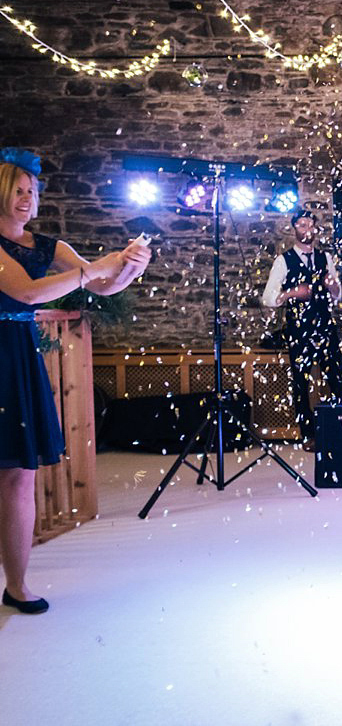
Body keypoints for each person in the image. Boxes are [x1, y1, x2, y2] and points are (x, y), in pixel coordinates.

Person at [0, 148, 151, 614]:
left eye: (32, 192)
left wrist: (128, 266)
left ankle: (17, 585)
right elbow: (27, 291)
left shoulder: (49, 246)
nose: (27, 200)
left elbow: (101, 286)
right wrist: (92, 268)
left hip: (17, 358)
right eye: (17, 191)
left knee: (18, 476)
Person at [261, 210, 342, 448]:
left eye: (311, 224)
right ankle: (308, 434)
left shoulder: (325, 258)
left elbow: (338, 297)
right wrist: (291, 293)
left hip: (325, 325)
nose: (307, 228)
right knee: (301, 382)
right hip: (299, 328)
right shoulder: (283, 260)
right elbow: (268, 298)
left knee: (337, 377)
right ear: (294, 228)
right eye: (302, 224)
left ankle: (339, 427)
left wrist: (334, 287)